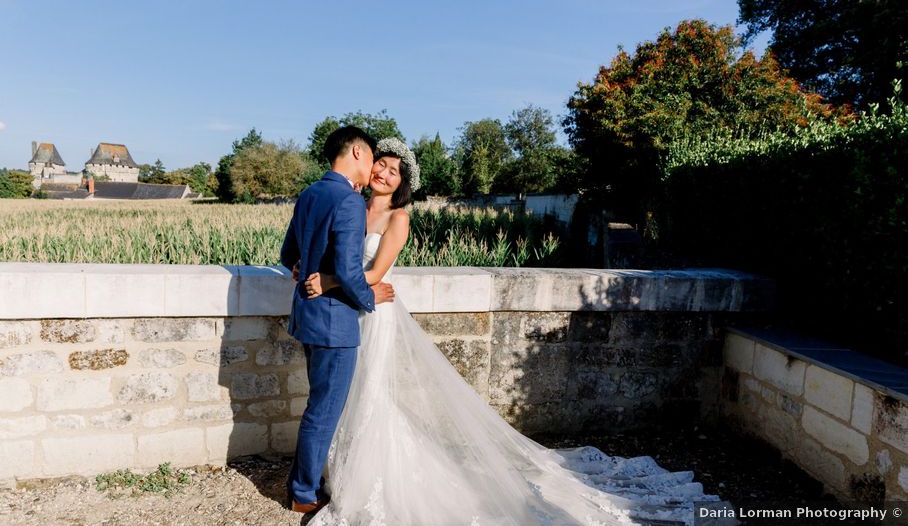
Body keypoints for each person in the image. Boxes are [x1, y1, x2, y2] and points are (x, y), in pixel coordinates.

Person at [299, 137, 733, 525]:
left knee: (371, 393)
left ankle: (368, 478)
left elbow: (376, 272)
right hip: (345, 312)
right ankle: (340, 470)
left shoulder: (399, 218)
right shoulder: (350, 202)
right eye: (382, 164)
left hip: (375, 313)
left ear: (402, 183)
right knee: (346, 394)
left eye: (394, 171)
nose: (383, 172)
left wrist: (328, 282)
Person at [279, 126, 396, 514]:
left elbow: (287, 254)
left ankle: (302, 479)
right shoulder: (347, 200)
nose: (373, 170)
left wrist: (301, 266)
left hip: (308, 318)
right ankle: (304, 493)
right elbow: (348, 273)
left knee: (319, 405)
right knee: (324, 411)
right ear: (359, 153)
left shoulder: (311, 192)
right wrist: (371, 298)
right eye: (373, 158)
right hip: (335, 323)